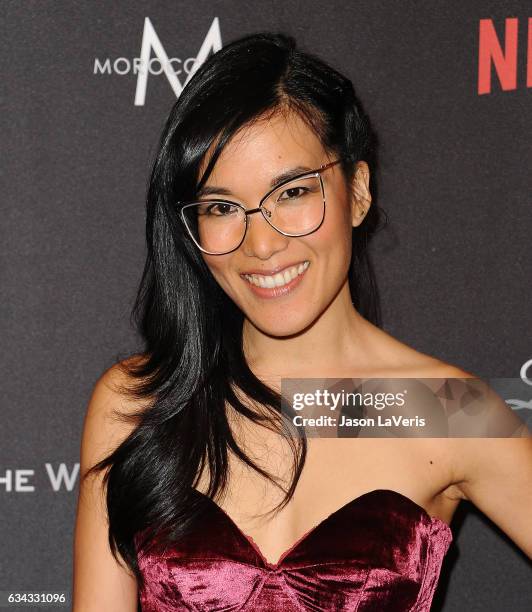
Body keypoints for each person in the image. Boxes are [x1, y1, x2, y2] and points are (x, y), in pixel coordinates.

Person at [72, 32, 532, 611]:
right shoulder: (140, 403)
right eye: (221, 207)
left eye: (290, 192)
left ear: (357, 192)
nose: (260, 244)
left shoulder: (439, 407)